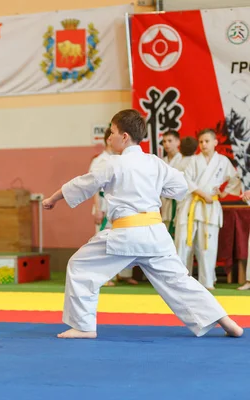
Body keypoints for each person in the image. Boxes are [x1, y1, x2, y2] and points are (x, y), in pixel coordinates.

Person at [42, 109, 243, 339]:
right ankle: (226, 321)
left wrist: (53, 199)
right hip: (156, 235)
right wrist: (156, 189)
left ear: (125, 136)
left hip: (126, 234)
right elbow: (180, 186)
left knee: (79, 266)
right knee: (179, 281)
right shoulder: (154, 163)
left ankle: (84, 326)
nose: (109, 137)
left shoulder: (113, 164)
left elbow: (81, 184)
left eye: (113, 132)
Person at [174, 129, 242, 289]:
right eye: (201, 142)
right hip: (191, 205)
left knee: (208, 246)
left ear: (215, 142)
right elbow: (186, 180)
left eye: (207, 141)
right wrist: (203, 194)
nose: (204, 144)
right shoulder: (192, 160)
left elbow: (235, 179)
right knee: (184, 244)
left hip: (210, 207)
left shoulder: (223, 161)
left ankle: (207, 282)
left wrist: (224, 192)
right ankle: (181, 282)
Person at [91, 127, 136, 286]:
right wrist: (97, 209)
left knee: (121, 239)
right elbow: (94, 187)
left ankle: (123, 274)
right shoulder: (99, 160)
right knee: (104, 241)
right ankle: (102, 276)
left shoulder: (120, 159)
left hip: (118, 204)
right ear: (108, 140)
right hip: (104, 204)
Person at [161, 131, 182, 237]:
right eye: (164, 141)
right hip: (164, 203)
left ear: (178, 142)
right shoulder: (161, 161)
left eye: (170, 141)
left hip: (178, 203)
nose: (166, 144)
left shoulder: (184, 160)